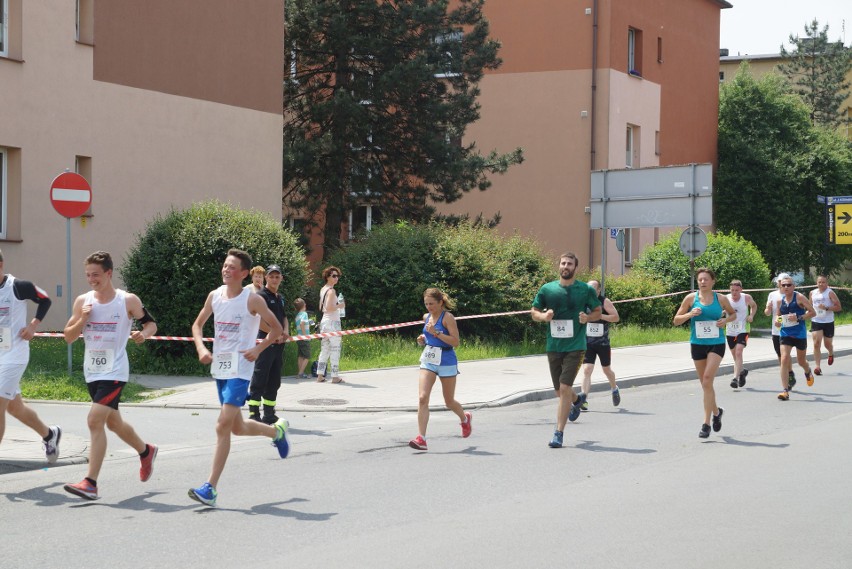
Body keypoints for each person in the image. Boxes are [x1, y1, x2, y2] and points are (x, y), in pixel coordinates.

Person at [189, 248, 290, 507]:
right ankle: (276, 432)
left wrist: (258, 349)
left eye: (231, 267)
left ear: (244, 274)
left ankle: (210, 488)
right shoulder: (215, 296)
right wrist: (201, 347)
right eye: (224, 265)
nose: (226, 270)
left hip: (241, 369)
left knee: (222, 425)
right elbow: (197, 325)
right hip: (221, 368)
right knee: (237, 427)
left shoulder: (252, 300)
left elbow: (277, 328)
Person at [62, 251, 158, 500]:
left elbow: (151, 324)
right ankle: (145, 451)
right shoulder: (83, 301)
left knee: (95, 420)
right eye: (87, 275)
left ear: (108, 273)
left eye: (96, 274)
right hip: (92, 371)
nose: (91, 279)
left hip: (115, 370)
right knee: (113, 423)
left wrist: (143, 335)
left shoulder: (127, 301)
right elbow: (68, 336)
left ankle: (90, 483)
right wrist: (83, 318)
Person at [532, 252, 601, 449]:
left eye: (569, 264)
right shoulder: (548, 289)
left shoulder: (585, 290)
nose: (566, 266)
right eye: (563, 263)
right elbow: (534, 311)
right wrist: (544, 316)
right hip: (554, 345)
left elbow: (597, 311)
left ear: (575, 268)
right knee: (559, 391)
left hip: (576, 345)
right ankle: (578, 400)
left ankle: (558, 433)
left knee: (564, 388)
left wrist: (587, 318)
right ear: (559, 266)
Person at [0, 250, 61, 464]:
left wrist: (33, 326)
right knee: (15, 408)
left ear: (0, 265)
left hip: (14, 355)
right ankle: (49, 434)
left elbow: (45, 300)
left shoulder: (18, 286)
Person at [673, 267, 736, 439]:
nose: (702, 282)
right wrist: (689, 314)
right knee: (705, 385)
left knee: (708, 380)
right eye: (700, 279)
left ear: (713, 281)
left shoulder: (721, 298)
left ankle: (706, 423)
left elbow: (733, 314)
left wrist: (725, 320)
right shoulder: (690, 298)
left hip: (716, 343)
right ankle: (717, 412)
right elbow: (676, 320)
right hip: (697, 343)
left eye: (706, 279)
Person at [409, 288, 471, 451]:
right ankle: (421, 438)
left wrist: (436, 333)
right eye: (426, 304)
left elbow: (455, 341)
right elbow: (428, 336)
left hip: (446, 360)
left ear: (440, 302)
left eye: (431, 304)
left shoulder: (447, 318)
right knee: (423, 397)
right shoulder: (426, 317)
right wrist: (423, 339)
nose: (428, 307)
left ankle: (465, 419)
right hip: (429, 359)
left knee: (449, 401)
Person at [246, 264, 290, 424]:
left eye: (277, 276)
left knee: (274, 379)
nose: (274, 279)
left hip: (278, 343)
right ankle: (253, 413)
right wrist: (275, 333)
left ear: (281, 279)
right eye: (271, 276)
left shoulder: (279, 297)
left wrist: (285, 330)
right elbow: (258, 320)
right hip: (265, 342)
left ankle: (269, 414)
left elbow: (284, 317)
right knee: (260, 377)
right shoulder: (261, 296)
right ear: (266, 278)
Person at [580, 279, 621, 409]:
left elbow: (616, 317)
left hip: (603, 343)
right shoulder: (583, 302)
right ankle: (583, 399)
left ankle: (614, 388)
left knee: (606, 370)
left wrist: (600, 316)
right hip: (588, 343)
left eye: (593, 289)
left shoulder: (604, 302)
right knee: (587, 370)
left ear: (598, 290)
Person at [773, 275, 816, 401]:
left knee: (801, 361)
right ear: (780, 287)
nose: (786, 287)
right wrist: (778, 321)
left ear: (793, 286)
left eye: (789, 285)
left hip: (799, 334)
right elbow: (778, 315)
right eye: (783, 285)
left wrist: (798, 317)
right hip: (785, 333)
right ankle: (785, 391)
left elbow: (813, 312)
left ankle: (807, 371)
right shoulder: (779, 301)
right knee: (784, 358)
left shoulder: (799, 297)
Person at [765, 273, 797, 388]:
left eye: (785, 282)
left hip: (789, 330)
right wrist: (768, 308)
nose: (782, 285)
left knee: (785, 355)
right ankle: (788, 373)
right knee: (780, 355)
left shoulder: (794, 295)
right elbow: (768, 313)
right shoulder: (772, 295)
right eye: (780, 282)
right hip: (776, 330)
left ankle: (788, 376)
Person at [315, 266, 345, 383]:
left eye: (337, 276)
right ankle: (335, 376)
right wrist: (340, 306)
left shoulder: (323, 289)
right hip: (333, 322)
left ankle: (320, 375)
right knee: (335, 349)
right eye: (333, 276)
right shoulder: (332, 291)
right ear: (327, 277)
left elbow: (320, 307)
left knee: (325, 349)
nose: (336, 278)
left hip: (324, 322)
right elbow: (329, 307)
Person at [725, 279, 757, 389]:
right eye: (732, 290)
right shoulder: (726, 298)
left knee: (738, 352)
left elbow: (754, 306)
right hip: (730, 330)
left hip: (743, 329)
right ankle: (742, 371)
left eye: (736, 290)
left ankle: (735, 378)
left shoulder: (746, 298)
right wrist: (723, 313)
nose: (734, 293)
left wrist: (751, 315)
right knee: (735, 355)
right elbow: (721, 310)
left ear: (741, 290)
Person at [810, 275, 841, 375]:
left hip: (828, 321)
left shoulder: (830, 293)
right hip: (816, 320)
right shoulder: (812, 293)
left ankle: (831, 353)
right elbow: (809, 306)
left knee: (827, 344)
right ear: (816, 283)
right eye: (819, 282)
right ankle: (817, 367)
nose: (821, 284)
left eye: (823, 282)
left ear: (827, 283)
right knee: (816, 343)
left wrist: (827, 308)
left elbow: (838, 307)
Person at [294, 298, 312, 379]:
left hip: (298, 338)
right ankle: (301, 373)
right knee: (307, 356)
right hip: (304, 338)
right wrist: (305, 336)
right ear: (304, 305)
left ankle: (300, 373)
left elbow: (300, 324)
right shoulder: (304, 314)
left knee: (300, 356)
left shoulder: (297, 315)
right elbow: (302, 324)